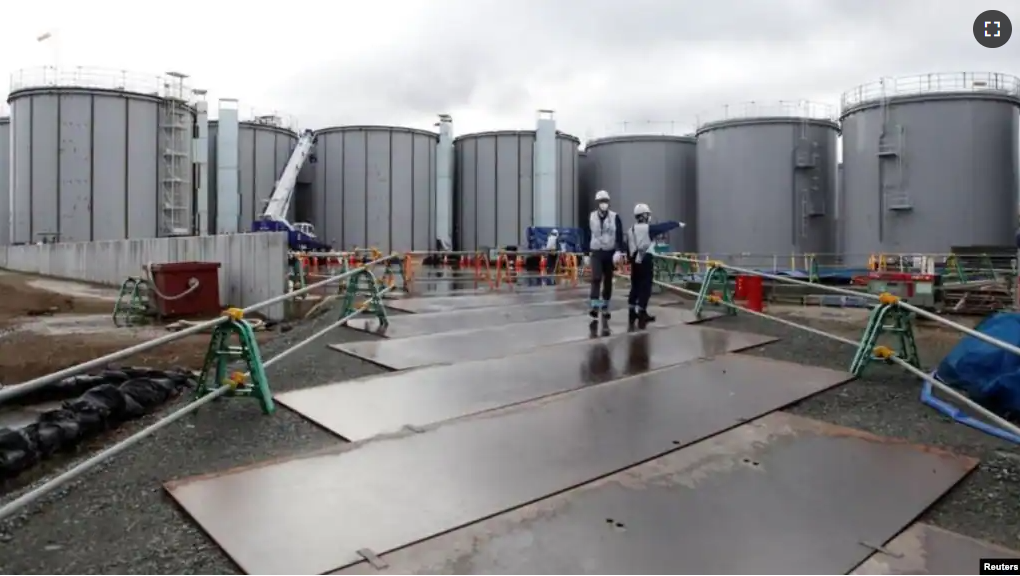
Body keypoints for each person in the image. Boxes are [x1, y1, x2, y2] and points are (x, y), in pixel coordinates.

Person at [626, 203, 685, 324]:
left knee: (635, 286)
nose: (649, 217)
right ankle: (642, 312)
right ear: (644, 216)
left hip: (633, 259)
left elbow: (626, 246)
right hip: (645, 258)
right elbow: (662, 227)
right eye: (647, 214)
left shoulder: (630, 230)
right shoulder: (647, 229)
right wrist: (676, 224)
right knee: (646, 286)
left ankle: (632, 311)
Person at [587, 190, 625, 320]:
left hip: (610, 252)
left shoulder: (615, 217)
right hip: (596, 251)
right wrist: (587, 252)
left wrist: (619, 250)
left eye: (605, 201)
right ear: (598, 203)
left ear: (608, 203)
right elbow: (588, 233)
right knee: (596, 278)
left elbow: (619, 234)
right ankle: (594, 306)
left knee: (608, 280)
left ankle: (605, 307)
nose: (604, 204)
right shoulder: (592, 216)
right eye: (601, 201)